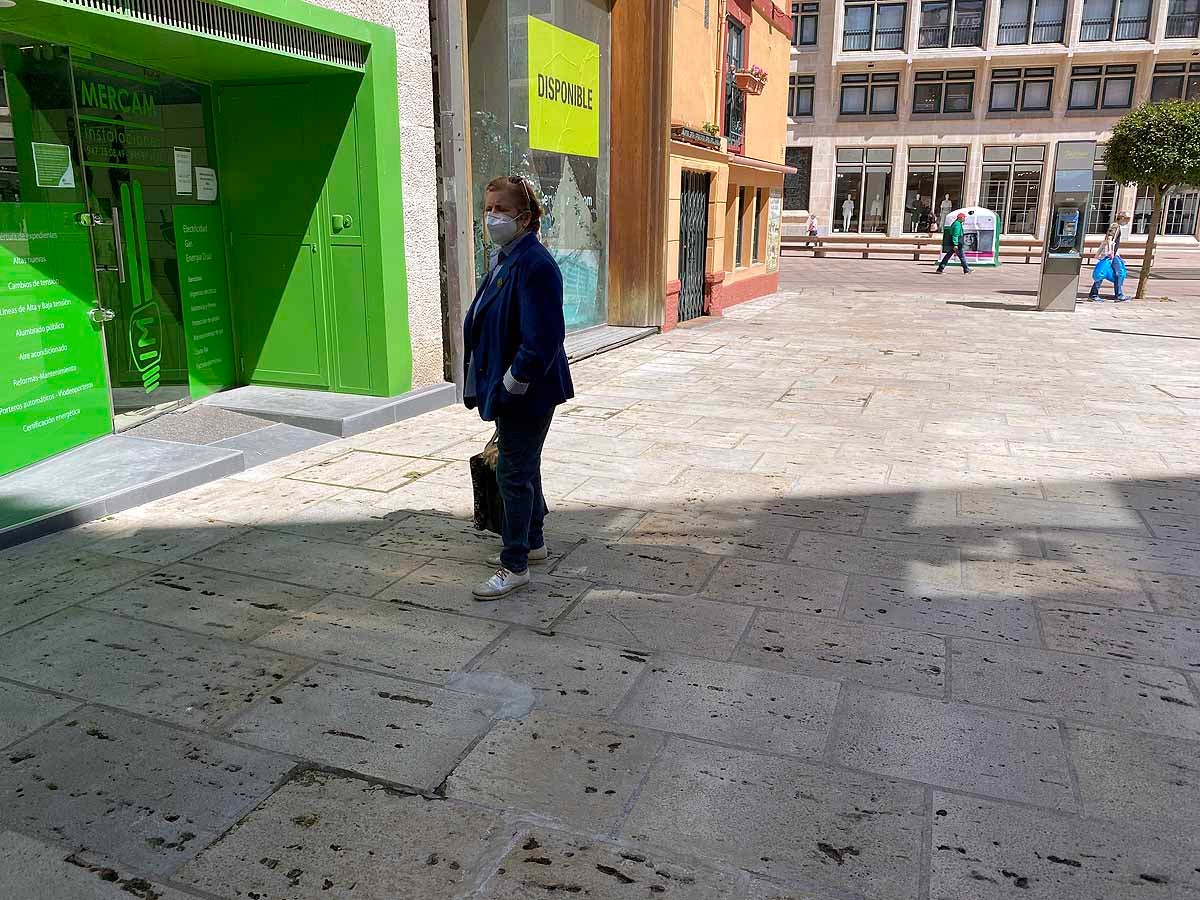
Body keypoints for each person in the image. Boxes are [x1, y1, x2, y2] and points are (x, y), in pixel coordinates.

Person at [463, 175, 574, 600]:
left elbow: (543, 340)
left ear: (524, 217)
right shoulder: (505, 258)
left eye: (501, 210)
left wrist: (511, 385)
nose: (491, 216)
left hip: (526, 392)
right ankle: (534, 541)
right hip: (508, 387)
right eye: (488, 208)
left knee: (513, 473)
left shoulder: (535, 264)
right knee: (526, 465)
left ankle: (515, 565)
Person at [1089, 211, 1131, 303]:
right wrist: (1110, 251)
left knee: (1116, 273)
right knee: (1105, 272)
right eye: (1127, 219)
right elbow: (1109, 238)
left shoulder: (1116, 226)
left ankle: (1117, 294)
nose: (1128, 221)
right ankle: (1095, 294)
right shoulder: (1115, 226)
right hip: (1110, 254)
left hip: (1113, 254)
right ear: (1122, 218)